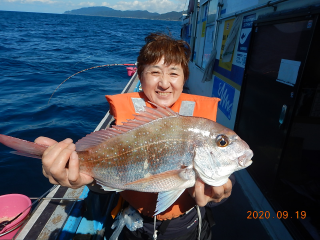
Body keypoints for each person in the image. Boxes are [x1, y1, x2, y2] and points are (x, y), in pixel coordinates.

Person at [36, 33, 233, 240]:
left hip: (187, 224)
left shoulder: (200, 126)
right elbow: (105, 181)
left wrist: (221, 192)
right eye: (155, 72)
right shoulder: (124, 127)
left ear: (184, 78)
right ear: (140, 77)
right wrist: (84, 180)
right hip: (133, 221)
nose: (164, 83)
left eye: (174, 73)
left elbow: (223, 175)